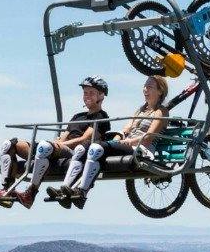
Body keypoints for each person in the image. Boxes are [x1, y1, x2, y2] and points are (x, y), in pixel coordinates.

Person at [0, 75, 110, 209]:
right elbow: (63, 136)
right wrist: (57, 143)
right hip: (60, 148)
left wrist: (60, 145)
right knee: (9, 144)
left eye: (91, 93)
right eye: (85, 93)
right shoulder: (77, 116)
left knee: (44, 147)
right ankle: (7, 190)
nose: (87, 96)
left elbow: (84, 139)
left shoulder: (101, 117)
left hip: (74, 152)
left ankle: (30, 193)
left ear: (101, 96)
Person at [51, 74, 170, 208]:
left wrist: (129, 142)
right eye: (144, 86)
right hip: (128, 145)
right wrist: (117, 140)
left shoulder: (161, 112)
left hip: (141, 149)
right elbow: (125, 130)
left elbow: (148, 137)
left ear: (160, 91)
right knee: (83, 148)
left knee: (96, 148)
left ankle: (82, 192)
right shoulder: (140, 110)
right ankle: (65, 189)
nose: (145, 89)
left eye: (149, 87)